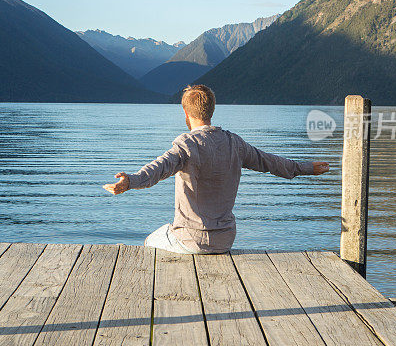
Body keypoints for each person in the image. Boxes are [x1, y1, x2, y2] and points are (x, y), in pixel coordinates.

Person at [103, 84, 330, 254]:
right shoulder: (235, 143)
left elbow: (158, 169)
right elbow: (271, 162)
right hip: (225, 241)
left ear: (186, 114)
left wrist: (130, 181)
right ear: (211, 110)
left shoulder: (186, 144)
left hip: (189, 240)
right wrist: (306, 167)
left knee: (149, 242)